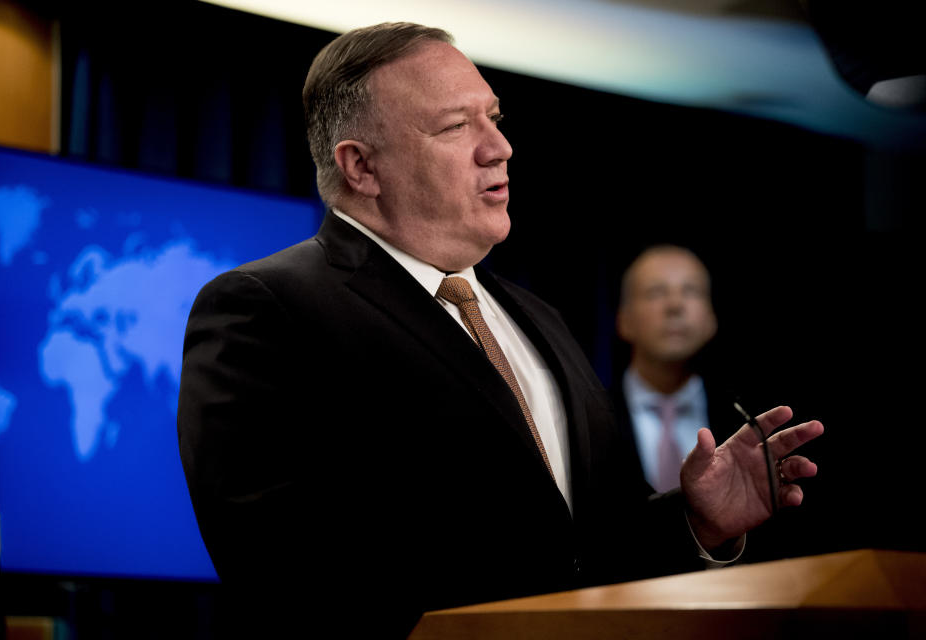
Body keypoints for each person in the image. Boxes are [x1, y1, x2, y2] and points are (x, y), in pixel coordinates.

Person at [177, 22, 823, 638]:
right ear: (361, 167)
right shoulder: (265, 307)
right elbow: (281, 571)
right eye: (457, 125)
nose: (500, 147)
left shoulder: (536, 317)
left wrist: (694, 520)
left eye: (494, 117)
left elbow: (587, 550)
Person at [611, 244, 737, 493]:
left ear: (711, 318)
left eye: (690, 291)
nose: (675, 305)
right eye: (655, 292)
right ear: (624, 320)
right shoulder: (592, 417)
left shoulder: (742, 419)